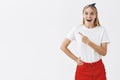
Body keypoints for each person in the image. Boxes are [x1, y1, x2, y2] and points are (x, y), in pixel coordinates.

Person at [60, 3, 110, 80]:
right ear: (83, 15)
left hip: (98, 68)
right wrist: (76, 59)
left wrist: (88, 42)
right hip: (83, 68)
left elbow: (104, 52)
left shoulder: (102, 30)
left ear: (96, 15)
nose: (89, 16)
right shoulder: (76, 29)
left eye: (92, 13)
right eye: (86, 13)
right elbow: (63, 47)